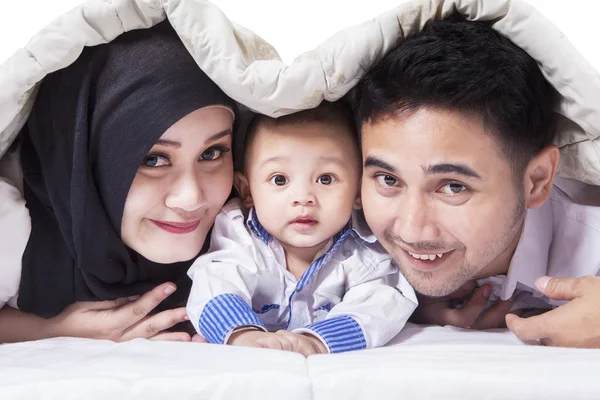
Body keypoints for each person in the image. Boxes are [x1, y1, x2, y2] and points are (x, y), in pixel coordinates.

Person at [354, 15, 600, 347]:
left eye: (453, 186)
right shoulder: (327, 231)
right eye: (387, 179)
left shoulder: (592, 250)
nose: (411, 230)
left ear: (538, 181)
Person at [0, 21, 237, 343]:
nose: (190, 198)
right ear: (83, 159)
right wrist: (52, 331)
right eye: (152, 160)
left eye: (212, 153)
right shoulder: (12, 228)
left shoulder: (255, 220)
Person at [186, 102, 416, 356]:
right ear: (247, 191)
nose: (303, 198)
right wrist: (241, 335)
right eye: (280, 180)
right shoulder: (239, 233)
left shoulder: (366, 250)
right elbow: (215, 280)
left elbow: (380, 306)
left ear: (359, 191)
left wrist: (316, 342)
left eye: (325, 179)